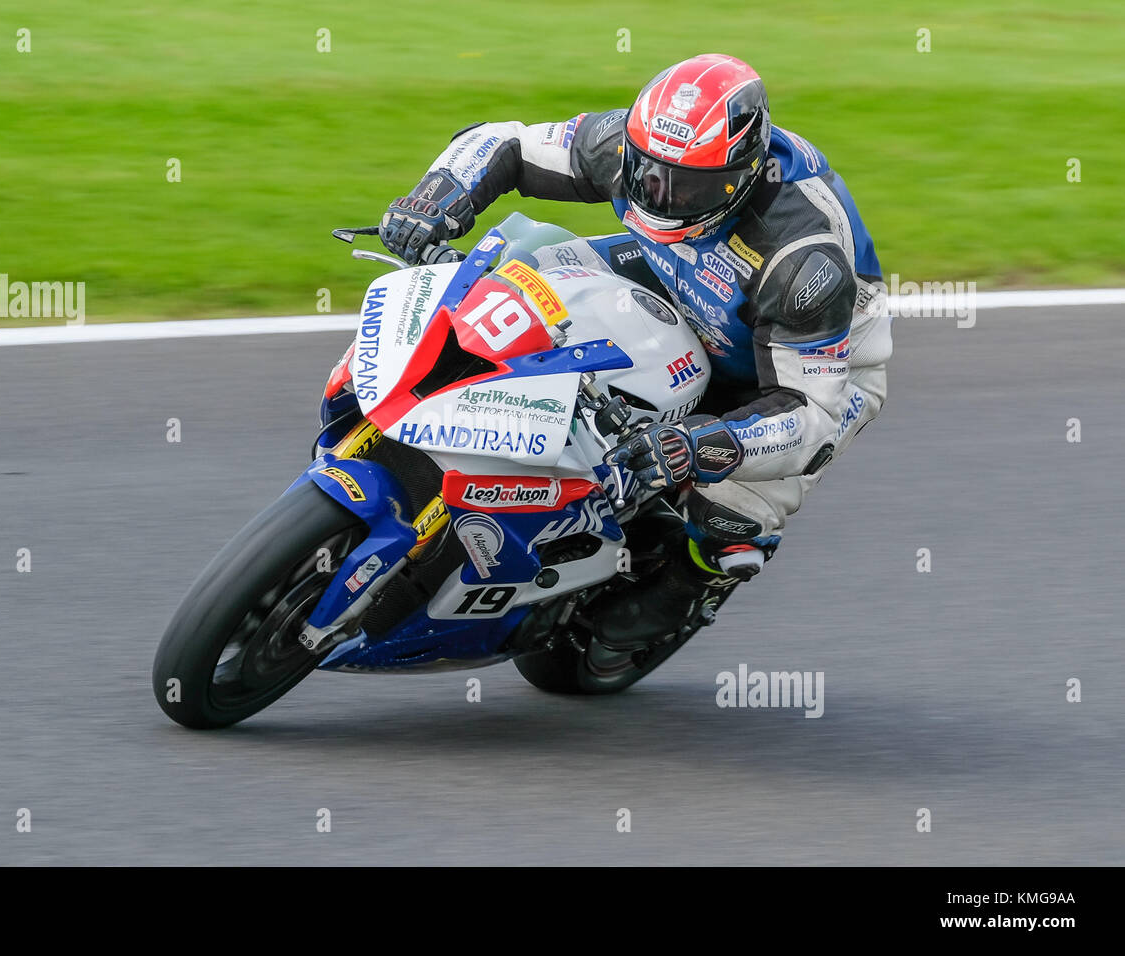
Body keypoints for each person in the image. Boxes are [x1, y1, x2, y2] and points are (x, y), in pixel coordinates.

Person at [379, 55, 892, 640]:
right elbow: (507, 144)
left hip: (804, 368)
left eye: (690, 184)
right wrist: (437, 197)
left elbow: (812, 415)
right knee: (524, 276)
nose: (660, 194)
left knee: (731, 509)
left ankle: (700, 580)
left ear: (743, 173)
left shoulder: (803, 262)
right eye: (649, 171)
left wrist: (709, 443)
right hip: (673, 275)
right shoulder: (628, 147)